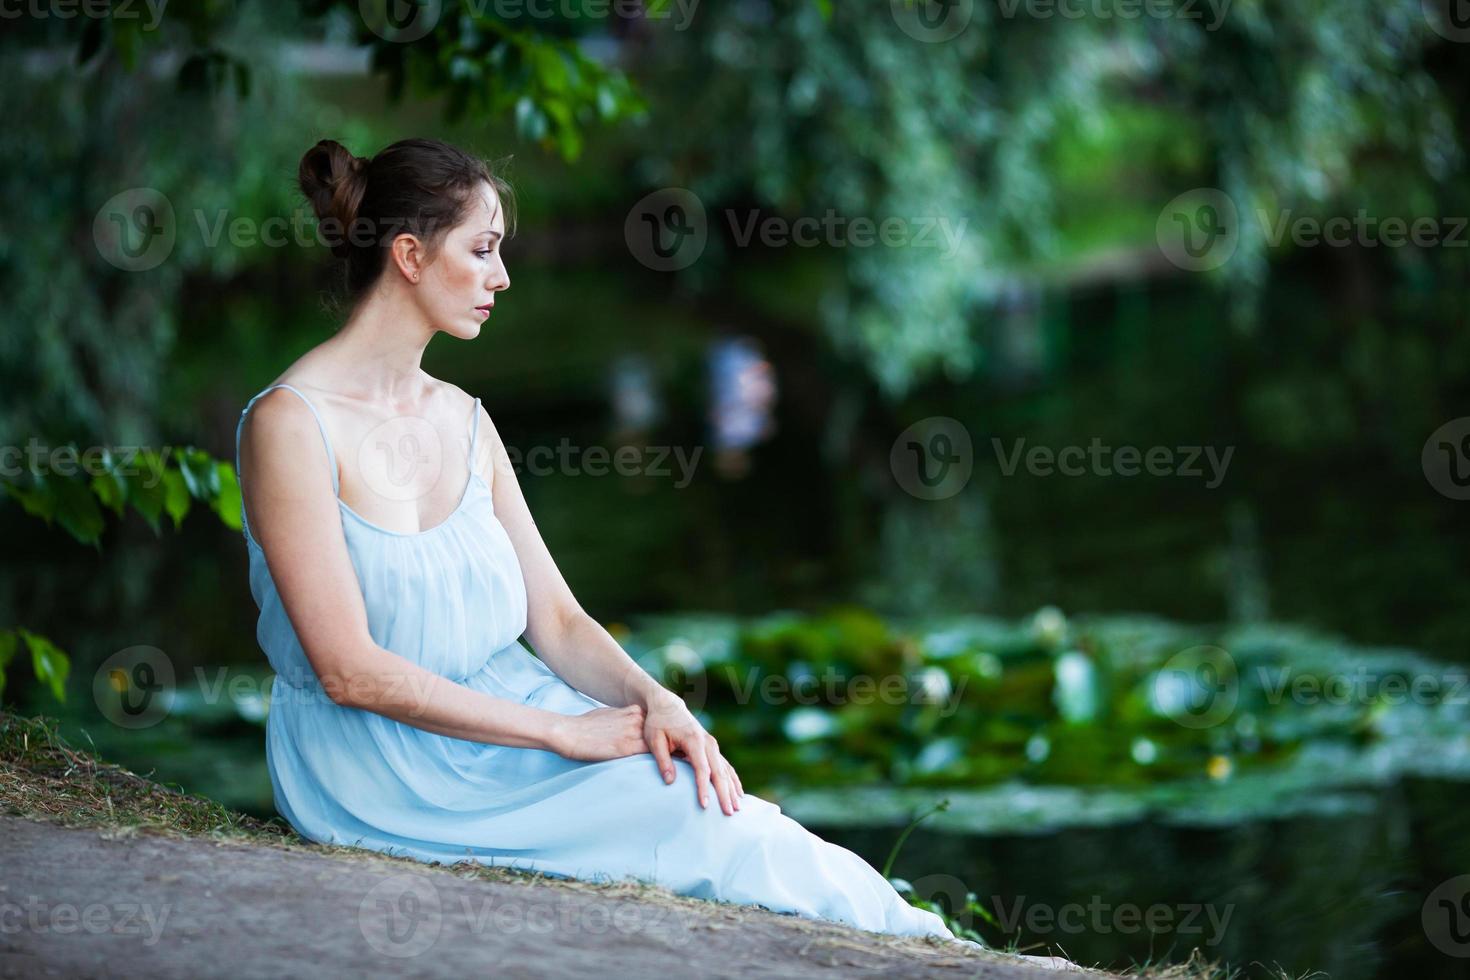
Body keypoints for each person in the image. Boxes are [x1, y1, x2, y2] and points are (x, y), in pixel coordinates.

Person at [234, 137, 971, 946]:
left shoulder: (466, 419)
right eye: (481, 250)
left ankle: (936, 945)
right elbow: (348, 670)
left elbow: (557, 622)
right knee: (695, 823)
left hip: (506, 721)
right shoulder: (291, 425)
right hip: (376, 769)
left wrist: (655, 698)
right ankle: (939, 952)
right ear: (409, 256)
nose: (503, 276)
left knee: (713, 803)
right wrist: (563, 731)